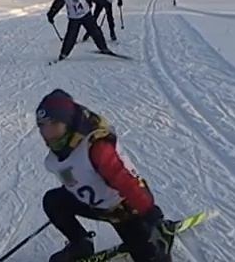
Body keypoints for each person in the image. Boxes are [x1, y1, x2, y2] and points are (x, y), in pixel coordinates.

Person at [37, 89, 174, 262]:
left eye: (54, 126)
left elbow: (126, 182)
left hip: (124, 210)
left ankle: (157, 243)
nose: (47, 134)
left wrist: (150, 213)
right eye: (42, 127)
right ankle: (81, 244)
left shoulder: (96, 147)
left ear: (68, 123)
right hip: (95, 204)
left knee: (151, 258)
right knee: (53, 201)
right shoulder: (62, 151)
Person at [47, 0, 113, 62]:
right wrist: (51, 14)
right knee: (70, 37)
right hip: (74, 19)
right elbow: (57, 5)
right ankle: (64, 53)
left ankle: (103, 48)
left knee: (96, 32)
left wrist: (105, 3)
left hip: (86, 15)